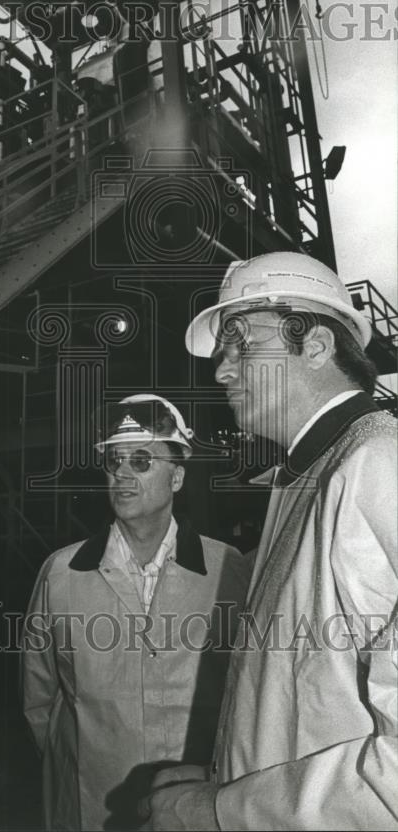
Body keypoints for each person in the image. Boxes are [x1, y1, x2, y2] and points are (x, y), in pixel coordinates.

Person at [145, 251, 398, 829]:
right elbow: (305, 701)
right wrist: (230, 775)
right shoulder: (311, 476)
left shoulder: (379, 464)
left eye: (239, 342)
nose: (221, 370)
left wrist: (221, 810)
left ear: (314, 345)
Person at [22, 394, 247, 830]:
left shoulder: (226, 569)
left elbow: (244, 687)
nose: (122, 474)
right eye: (113, 461)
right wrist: (78, 767)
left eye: (141, 461)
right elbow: (39, 698)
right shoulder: (62, 574)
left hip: (192, 803)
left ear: (177, 477)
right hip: (92, 803)